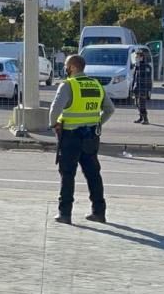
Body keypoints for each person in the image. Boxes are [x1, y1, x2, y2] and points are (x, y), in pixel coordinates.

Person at [49, 54, 115, 225]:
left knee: (67, 174)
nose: (65, 68)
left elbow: (54, 110)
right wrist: (97, 122)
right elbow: (110, 109)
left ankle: (65, 214)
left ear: (72, 67)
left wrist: (54, 124)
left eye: (66, 65)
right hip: (91, 136)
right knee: (93, 174)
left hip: (70, 136)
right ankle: (99, 212)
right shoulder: (96, 84)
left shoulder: (68, 85)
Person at [132, 51, 153, 125]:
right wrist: (133, 87)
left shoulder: (146, 66)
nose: (136, 58)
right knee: (137, 104)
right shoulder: (137, 66)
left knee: (142, 104)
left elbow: (147, 79)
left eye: (137, 57)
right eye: (136, 57)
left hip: (143, 89)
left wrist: (146, 90)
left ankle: (146, 119)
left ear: (142, 57)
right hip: (137, 88)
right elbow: (135, 78)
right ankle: (141, 118)